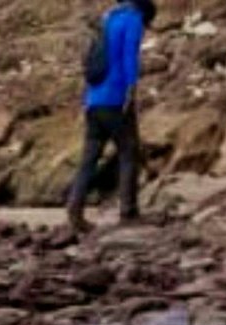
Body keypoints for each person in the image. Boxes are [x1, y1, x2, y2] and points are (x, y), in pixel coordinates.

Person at [66, 0, 156, 234]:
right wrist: (131, 89)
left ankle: (75, 209)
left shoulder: (108, 18)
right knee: (128, 151)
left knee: (89, 157)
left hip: (93, 99)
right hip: (115, 98)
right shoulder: (132, 19)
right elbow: (129, 57)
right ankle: (129, 211)